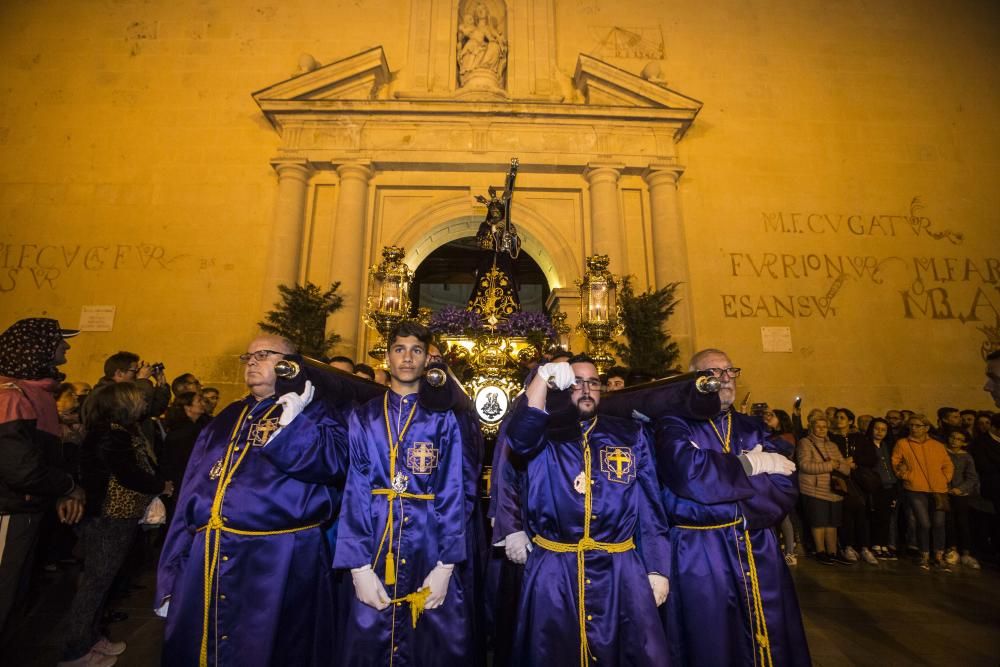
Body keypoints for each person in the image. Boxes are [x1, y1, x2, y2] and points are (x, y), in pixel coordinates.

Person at [156, 334, 349, 666]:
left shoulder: (317, 413)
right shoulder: (226, 417)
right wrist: (170, 572)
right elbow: (192, 489)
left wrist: (292, 422)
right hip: (208, 556)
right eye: (248, 357)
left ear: (291, 366)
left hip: (279, 560)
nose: (253, 362)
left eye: (264, 354)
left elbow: (332, 465)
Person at [504, 354, 670, 666]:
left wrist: (657, 568)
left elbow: (650, 506)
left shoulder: (630, 435)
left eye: (592, 382)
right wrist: (542, 378)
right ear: (562, 388)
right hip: (555, 568)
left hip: (620, 568)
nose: (585, 389)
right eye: (576, 382)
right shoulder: (543, 432)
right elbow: (519, 439)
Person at [654, 349, 810, 666]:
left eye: (730, 371)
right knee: (711, 639)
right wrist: (750, 466)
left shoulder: (753, 428)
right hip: (700, 552)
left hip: (757, 546)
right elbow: (689, 476)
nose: (725, 379)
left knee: (771, 634)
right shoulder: (673, 424)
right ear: (695, 381)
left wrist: (721, 485)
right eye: (714, 372)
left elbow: (784, 486)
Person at [334, 321, 474, 666]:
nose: (407, 358)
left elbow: (453, 489)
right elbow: (355, 488)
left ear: (428, 359)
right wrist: (357, 565)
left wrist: (447, 563)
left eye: (416, 350)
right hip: (375, 536)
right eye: (400, 349)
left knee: (432, 638)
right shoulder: (364, 416)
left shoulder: (443, 419)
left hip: (430, 540)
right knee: (370, 634)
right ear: (387, 357)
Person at [59, 382, 174, 667]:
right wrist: (160, 484)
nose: (143, 403)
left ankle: (91, 637)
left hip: (116, 517)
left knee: (103, 583)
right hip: (108, 517)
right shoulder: (110, 435)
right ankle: (75, 651)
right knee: (95, 584)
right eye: (137, 399)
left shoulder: (119, 431)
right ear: (121, 404)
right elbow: (128, 473)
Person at [0, 318, 85, 642]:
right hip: (9, 511)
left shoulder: (35, 395)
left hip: (27, 509)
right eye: (59, 341)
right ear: (38, 349)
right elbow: (21, 468)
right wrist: (68, 487)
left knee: (15, 599)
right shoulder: (11, 397)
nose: (67, 346)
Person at [892, 414, 954, 571]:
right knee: (924, 523)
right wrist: (906, 475)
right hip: (915, 488)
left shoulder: (937, 445)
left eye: (917, 425)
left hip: (938, 489)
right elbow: (896, 462)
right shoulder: (903, 443)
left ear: (926, 428)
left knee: (939, 523)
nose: (913, 428)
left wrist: (945, 478)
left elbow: (947, 464)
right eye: (911, 425)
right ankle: (924, 555)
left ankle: (938, 556)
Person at [797, 416, 850, 565]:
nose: (821, 429)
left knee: (832, 523)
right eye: (818, 426)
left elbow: (845, 468)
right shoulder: (805, 443)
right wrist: (830, 465)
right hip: (814, 489)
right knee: (819, 522)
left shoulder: (832, 445)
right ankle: (820, 552)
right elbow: (804, 465)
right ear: (811, 428)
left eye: (824, 426)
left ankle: (832, 552)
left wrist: (838, 465)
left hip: (834, 490)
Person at [829, 408, 878, 565]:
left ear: (850, 421)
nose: (838, 420)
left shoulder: (861, 439)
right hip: (841, 480)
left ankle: (864, 547)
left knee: (862, 515)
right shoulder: (831, 438)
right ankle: (847, 546)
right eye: (836, 417)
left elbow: (871, 458)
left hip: (858, 482)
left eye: (842, 417)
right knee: (845, 515)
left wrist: (855, 461)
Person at [943, 430, 980, 569]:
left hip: (961, 494)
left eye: (959, 439)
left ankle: (966, 552)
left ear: (964, 442)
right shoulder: (942, 452)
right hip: (944, 491)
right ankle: (951, 549)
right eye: (952, 437)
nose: (954, 441)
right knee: (948, 521)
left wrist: (961, 489)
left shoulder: (967, 457)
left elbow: (972, 477)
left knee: (963, 522)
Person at [865, 418, 900, 559]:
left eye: (883, 429)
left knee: (887, 517)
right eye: (876, 428)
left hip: (890, 485)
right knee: (876, 516)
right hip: (875, 485)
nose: (879, 432)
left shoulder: (888, 445)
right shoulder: (866, 445)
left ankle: (883, 544)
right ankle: (875, 544)